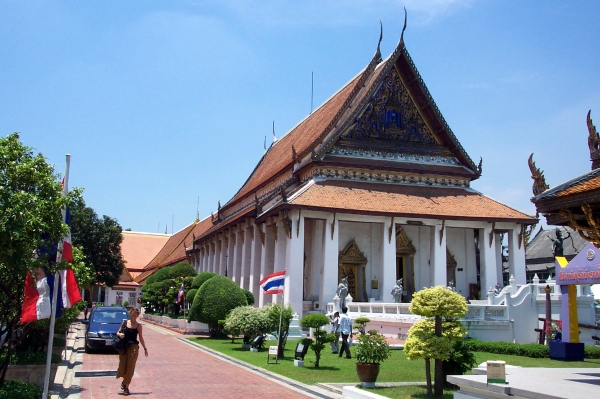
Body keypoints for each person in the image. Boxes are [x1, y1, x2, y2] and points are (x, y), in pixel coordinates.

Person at [116, 308, 148, 395]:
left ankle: (126, 387)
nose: (133, 316)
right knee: (122, 367)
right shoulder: (125, 323)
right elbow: (117, 332)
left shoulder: (138, 326)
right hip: (123, 347)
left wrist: (145, 348)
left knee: (130, 367)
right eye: (132, 315)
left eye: (135, 315)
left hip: (133, 347)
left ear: (137, 316)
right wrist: (120, 334)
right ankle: (124, 381)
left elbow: (141, 338)